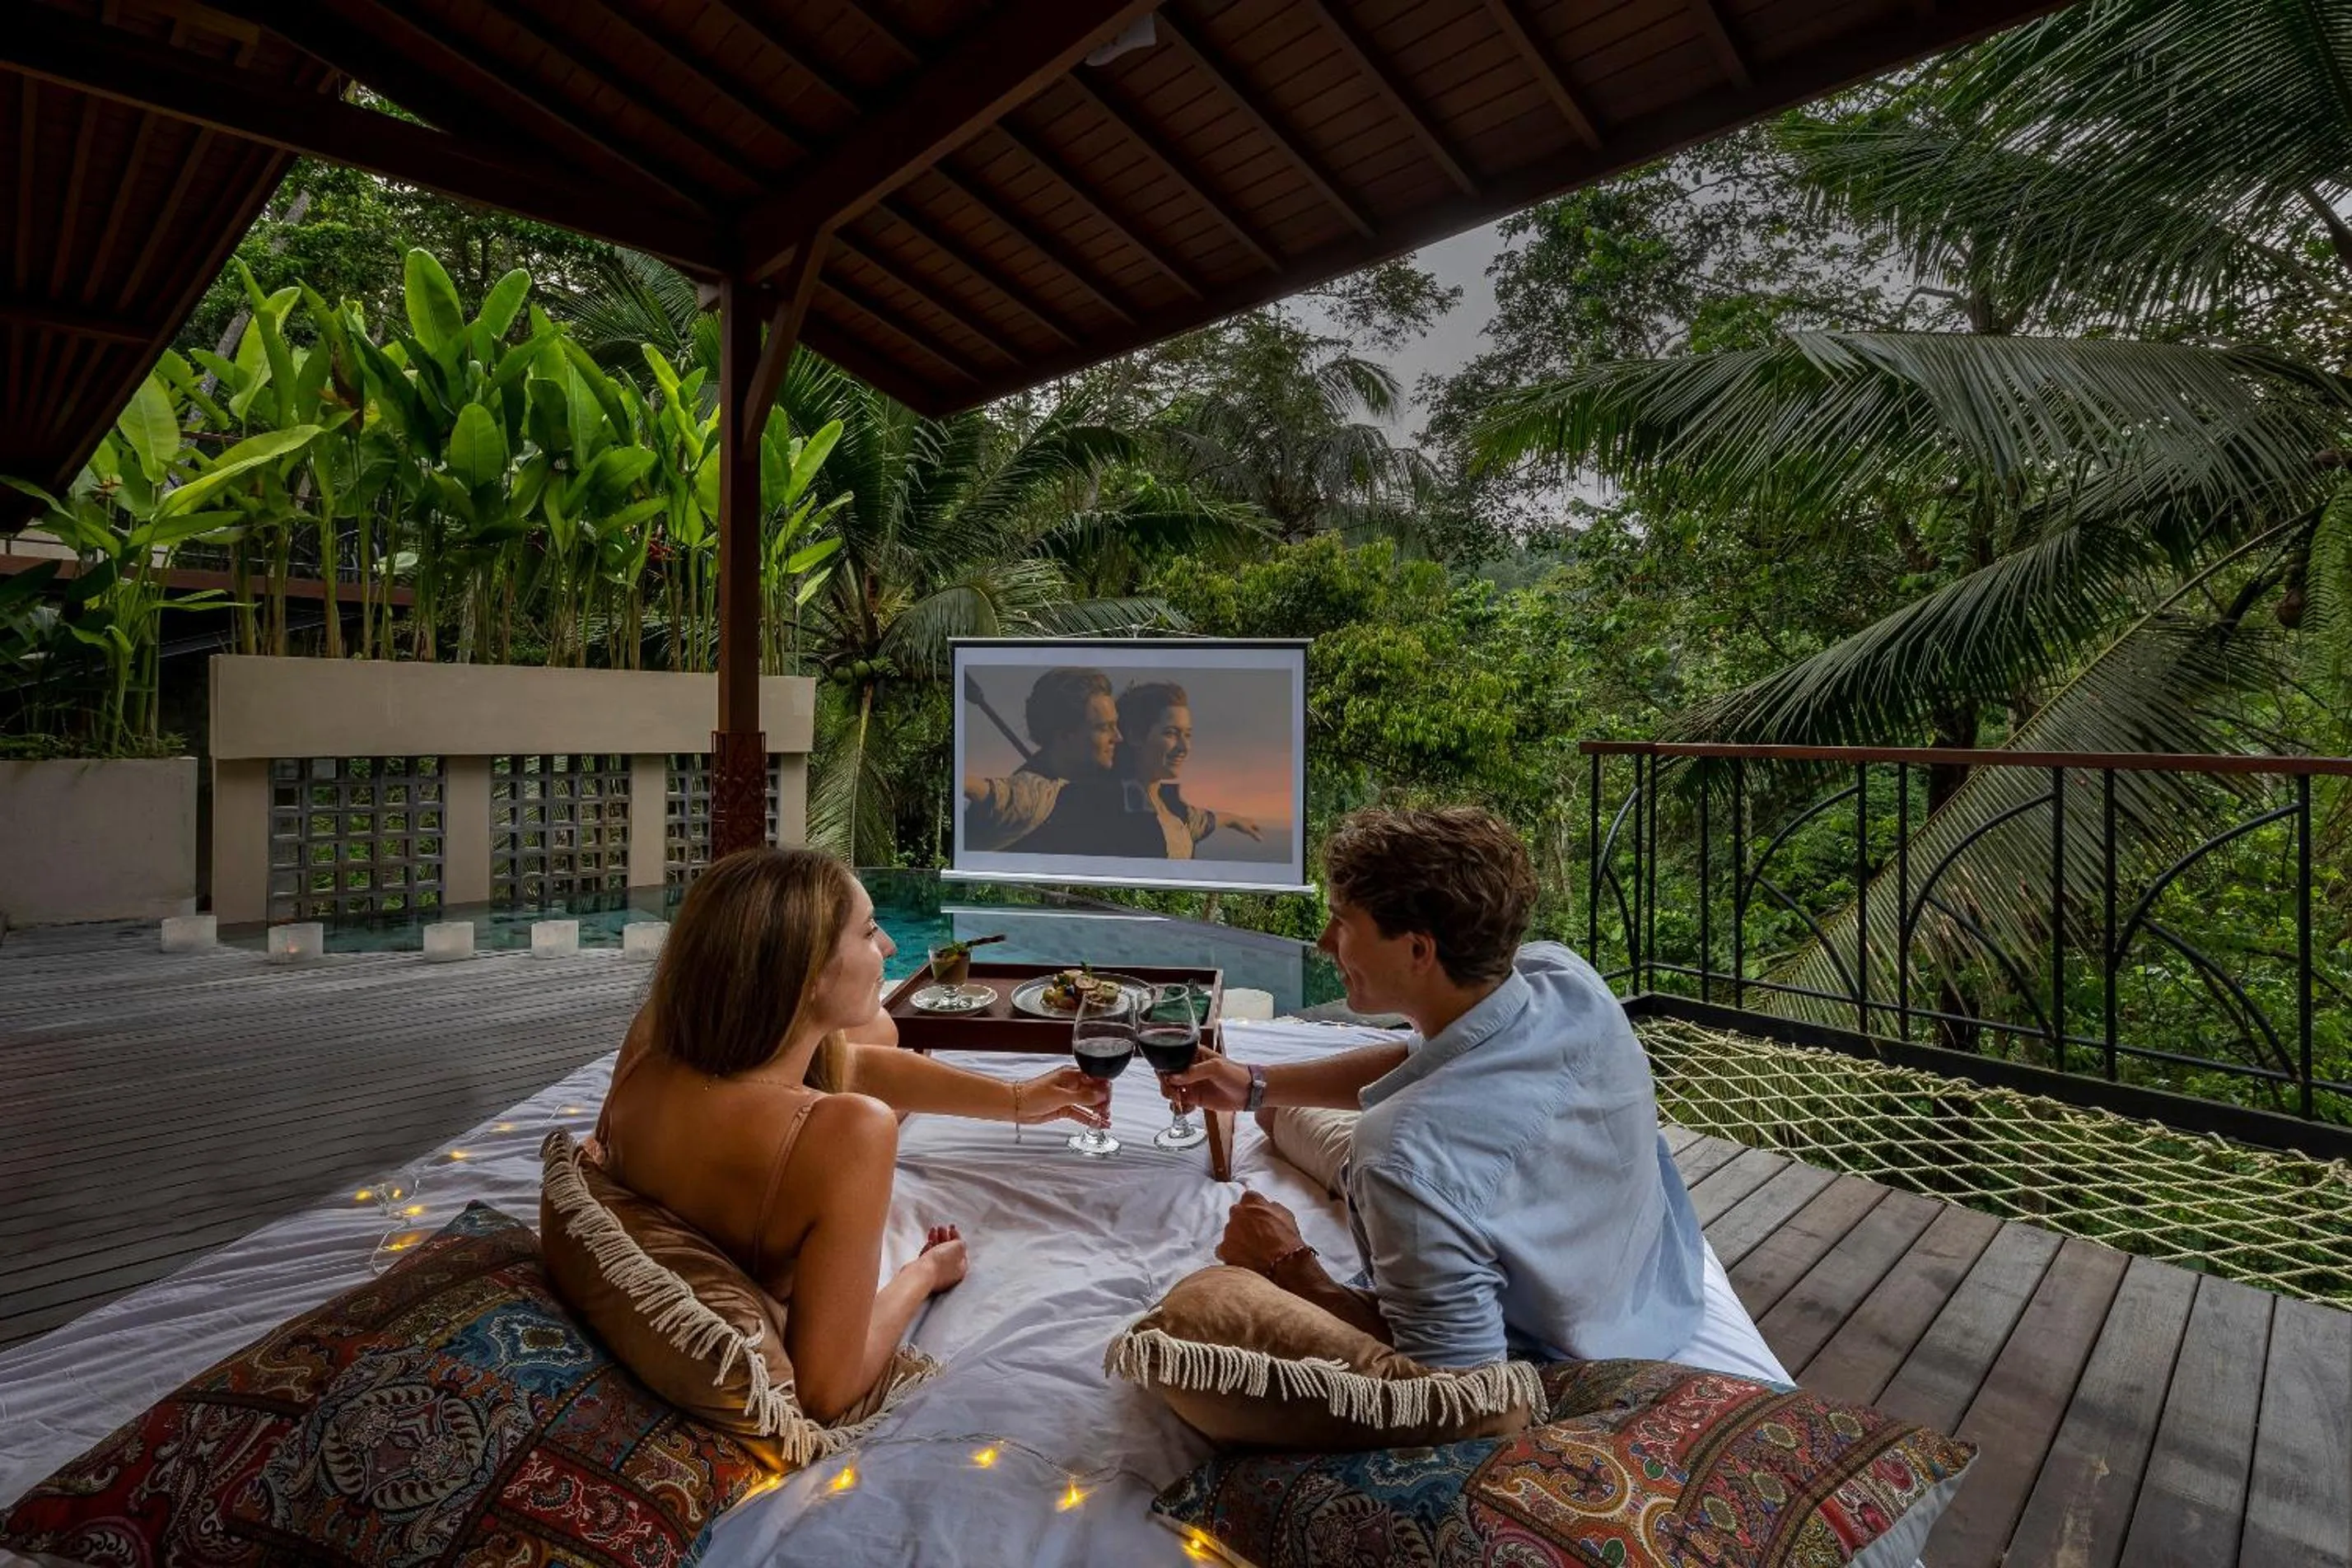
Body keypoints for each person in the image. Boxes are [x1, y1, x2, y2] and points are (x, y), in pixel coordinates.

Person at [1163, 806, 1705, 1369]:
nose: (1325, 942)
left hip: (1574, 1352)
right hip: (1651, 1286)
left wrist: (1287, 1264)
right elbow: (1423, 1058)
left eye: (1342, 922)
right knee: (1278, 1118)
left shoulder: (1400, 1155)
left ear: (1418, 950)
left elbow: (1454, 1382)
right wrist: (1254, 1085)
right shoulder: (1564, 978)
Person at [589, 848, 1110, 1421]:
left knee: (879, 1029)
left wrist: (1016, 1100)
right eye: (868, 932)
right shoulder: (846, 1132)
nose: (887, 946)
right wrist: (925, 1273)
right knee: (880, 1029)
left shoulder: (657, 1036)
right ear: (809, 973)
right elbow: (824, 1392)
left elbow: (854, 1064)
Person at [1017, 681, 1264, 859]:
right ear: (1135, 735)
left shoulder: (1170, 804)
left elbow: (1199, 821)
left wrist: (1233, 819)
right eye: (1170, 733)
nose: (1184, 747)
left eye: (1188, 735)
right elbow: (1023, 799)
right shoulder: (1097, 799)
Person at [960, 667, 1119, 851]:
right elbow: (1006, 797)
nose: (1118, 737)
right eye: (1103, 728)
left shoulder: (1108, 771)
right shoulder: (1033, 793)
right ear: (1064, 735)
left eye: (1115, 724)